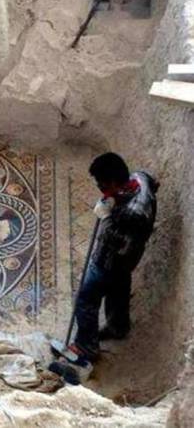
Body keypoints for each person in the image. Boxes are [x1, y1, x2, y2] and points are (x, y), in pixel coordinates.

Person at [62, 153, 158, 377]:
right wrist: (114, 199)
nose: (98, 186)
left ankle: (87, 345)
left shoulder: (134, 214)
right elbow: (153, 182)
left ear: (113, 182)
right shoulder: (139, 179)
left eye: (101, 183)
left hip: (111, 260)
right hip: (128, 261)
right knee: (119, 288)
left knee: (86, 297)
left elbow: (117, 241)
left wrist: (106, 217)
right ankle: (118, 327)